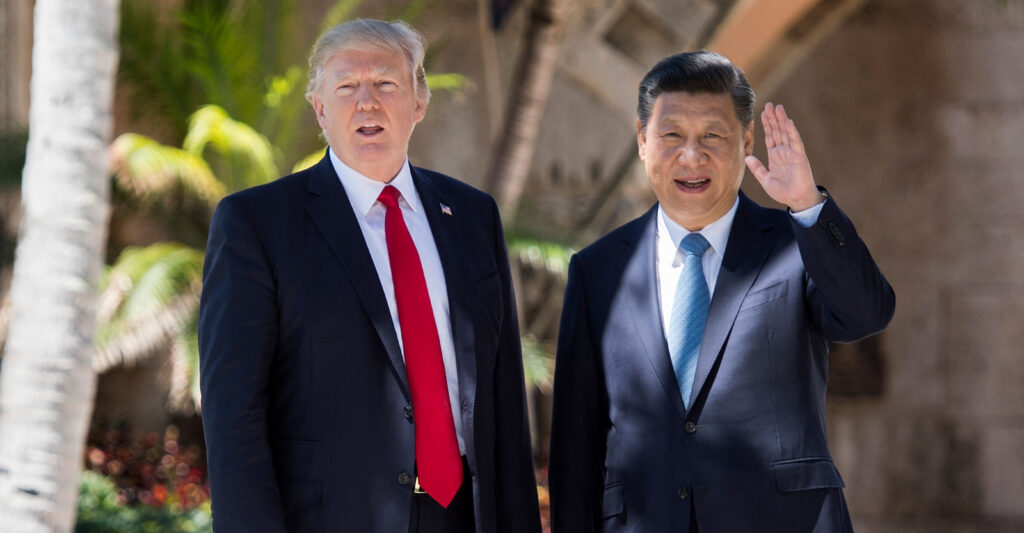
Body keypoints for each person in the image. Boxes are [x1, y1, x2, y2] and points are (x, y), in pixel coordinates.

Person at [198, 19, 541, 533]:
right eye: (345, 87)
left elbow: (503, 396)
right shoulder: (257, 224)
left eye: (385, 83)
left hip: (465, 516)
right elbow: (234, 416)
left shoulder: (472, 215)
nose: (366, 102)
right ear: (319, 108)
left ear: (418, 103)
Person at [548, 51, 895, 532]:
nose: (692, 157)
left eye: (712, 135)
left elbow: (867, 314)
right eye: (671, 136)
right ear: (642, 141)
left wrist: (807, 206)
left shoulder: (796, 243)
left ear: (745, 140)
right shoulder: (597, 269)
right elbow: (576, 442)